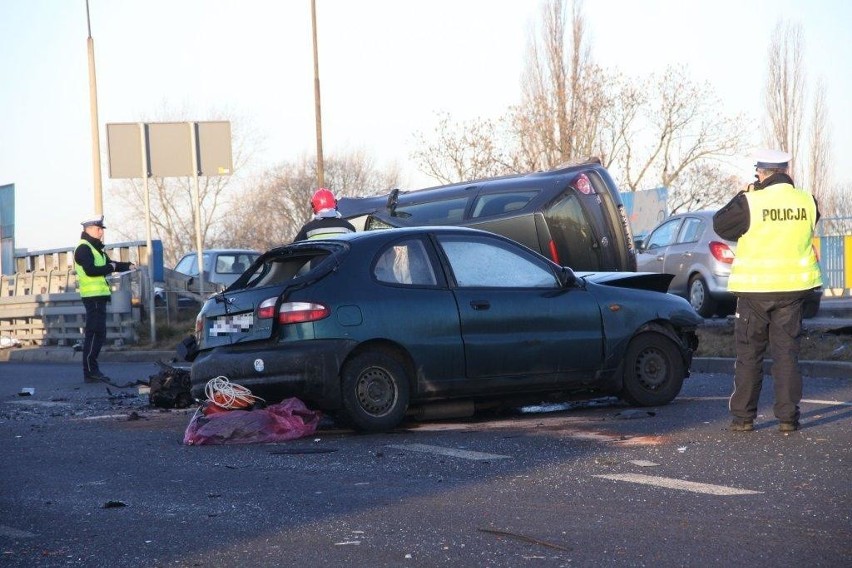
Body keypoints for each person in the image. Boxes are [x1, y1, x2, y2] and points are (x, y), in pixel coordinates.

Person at [713, 149, 823, 433]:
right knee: (787, 354)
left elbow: (721, 225)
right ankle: (788, 418)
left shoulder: (751, 201)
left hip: (755, 291)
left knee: (750, 355)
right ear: (786, 170)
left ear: (761, 173)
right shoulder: (807, 201)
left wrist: (743, 194)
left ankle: (743, 419)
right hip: (793, 290)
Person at [74, 215, 134, 383]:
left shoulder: (95, 248)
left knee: (99, 333)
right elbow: (91, 270)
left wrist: (127, 265)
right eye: (98, 229)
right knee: (93, 333)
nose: (101, 232)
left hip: (99, 297)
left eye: (101, 229)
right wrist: (111, 267)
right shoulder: (84, 248)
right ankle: (90, 371)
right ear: (89, 229)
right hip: (92, 297)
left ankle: (93, 370)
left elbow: (110, 263)